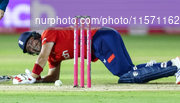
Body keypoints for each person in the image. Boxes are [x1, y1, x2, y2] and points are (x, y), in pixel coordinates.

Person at [14, 27, 180, 84]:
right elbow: (52, 76)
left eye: (31, 41)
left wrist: (33, 76)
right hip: (101, 42)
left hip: (99, 39)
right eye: (29, 48)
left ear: (36, 36)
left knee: (127, 76)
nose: (32, 45)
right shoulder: (51, 56)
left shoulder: (48, 35)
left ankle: (174, 66)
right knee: (129, 74)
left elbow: (41, 58)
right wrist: (39, 79)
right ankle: (172, 65)